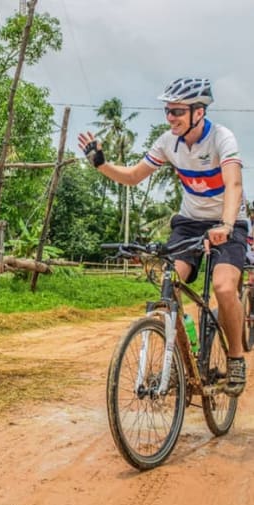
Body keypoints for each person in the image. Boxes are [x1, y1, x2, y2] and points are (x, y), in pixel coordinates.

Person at [78, 77, 248, 396]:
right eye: (167, 111)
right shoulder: (167, 142)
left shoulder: (222, 138)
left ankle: (236, 357)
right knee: (169, 287)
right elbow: (132, 176)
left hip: (228, 222)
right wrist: (100, 164)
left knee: (224, 287)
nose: (170, 117)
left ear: (199, 112)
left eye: (177, 111)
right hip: (189, 223)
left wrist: (225, 225)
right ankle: (184, 355)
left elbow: (234, 186)